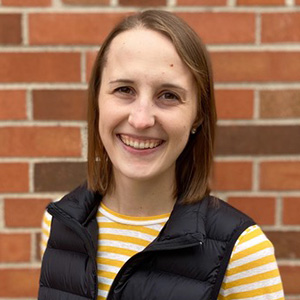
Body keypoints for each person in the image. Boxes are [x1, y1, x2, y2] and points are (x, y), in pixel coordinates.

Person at [39, 10, 285, 300]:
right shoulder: (61, 223)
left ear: (197, 116)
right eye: (124, 89)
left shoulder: (242, 251)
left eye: (168, 95)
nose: (142, 119)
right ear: (97, 102)